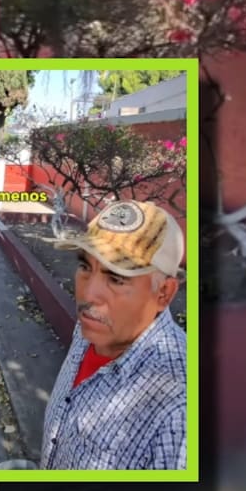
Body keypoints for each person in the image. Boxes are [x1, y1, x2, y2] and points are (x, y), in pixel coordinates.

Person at [40, 199, 186, 469]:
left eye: (116, 278)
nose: (88, 294)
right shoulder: (91, 329)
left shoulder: (179, 410)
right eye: (85, 267)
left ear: (163, 293)